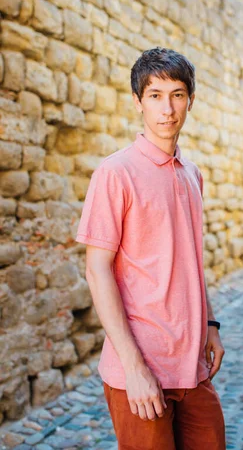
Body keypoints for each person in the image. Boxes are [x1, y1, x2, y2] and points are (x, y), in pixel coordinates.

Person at [76, 48, 226, 450]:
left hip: (192, 367)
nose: (167, 108)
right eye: (155, 95)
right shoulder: (116, 172)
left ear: (190, 101)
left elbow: (190, 260)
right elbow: (97, 270)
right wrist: (134, 367)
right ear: (138, 102)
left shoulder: (192, 173)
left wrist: (210, 324)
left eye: (177, 94)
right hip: (139, 371)